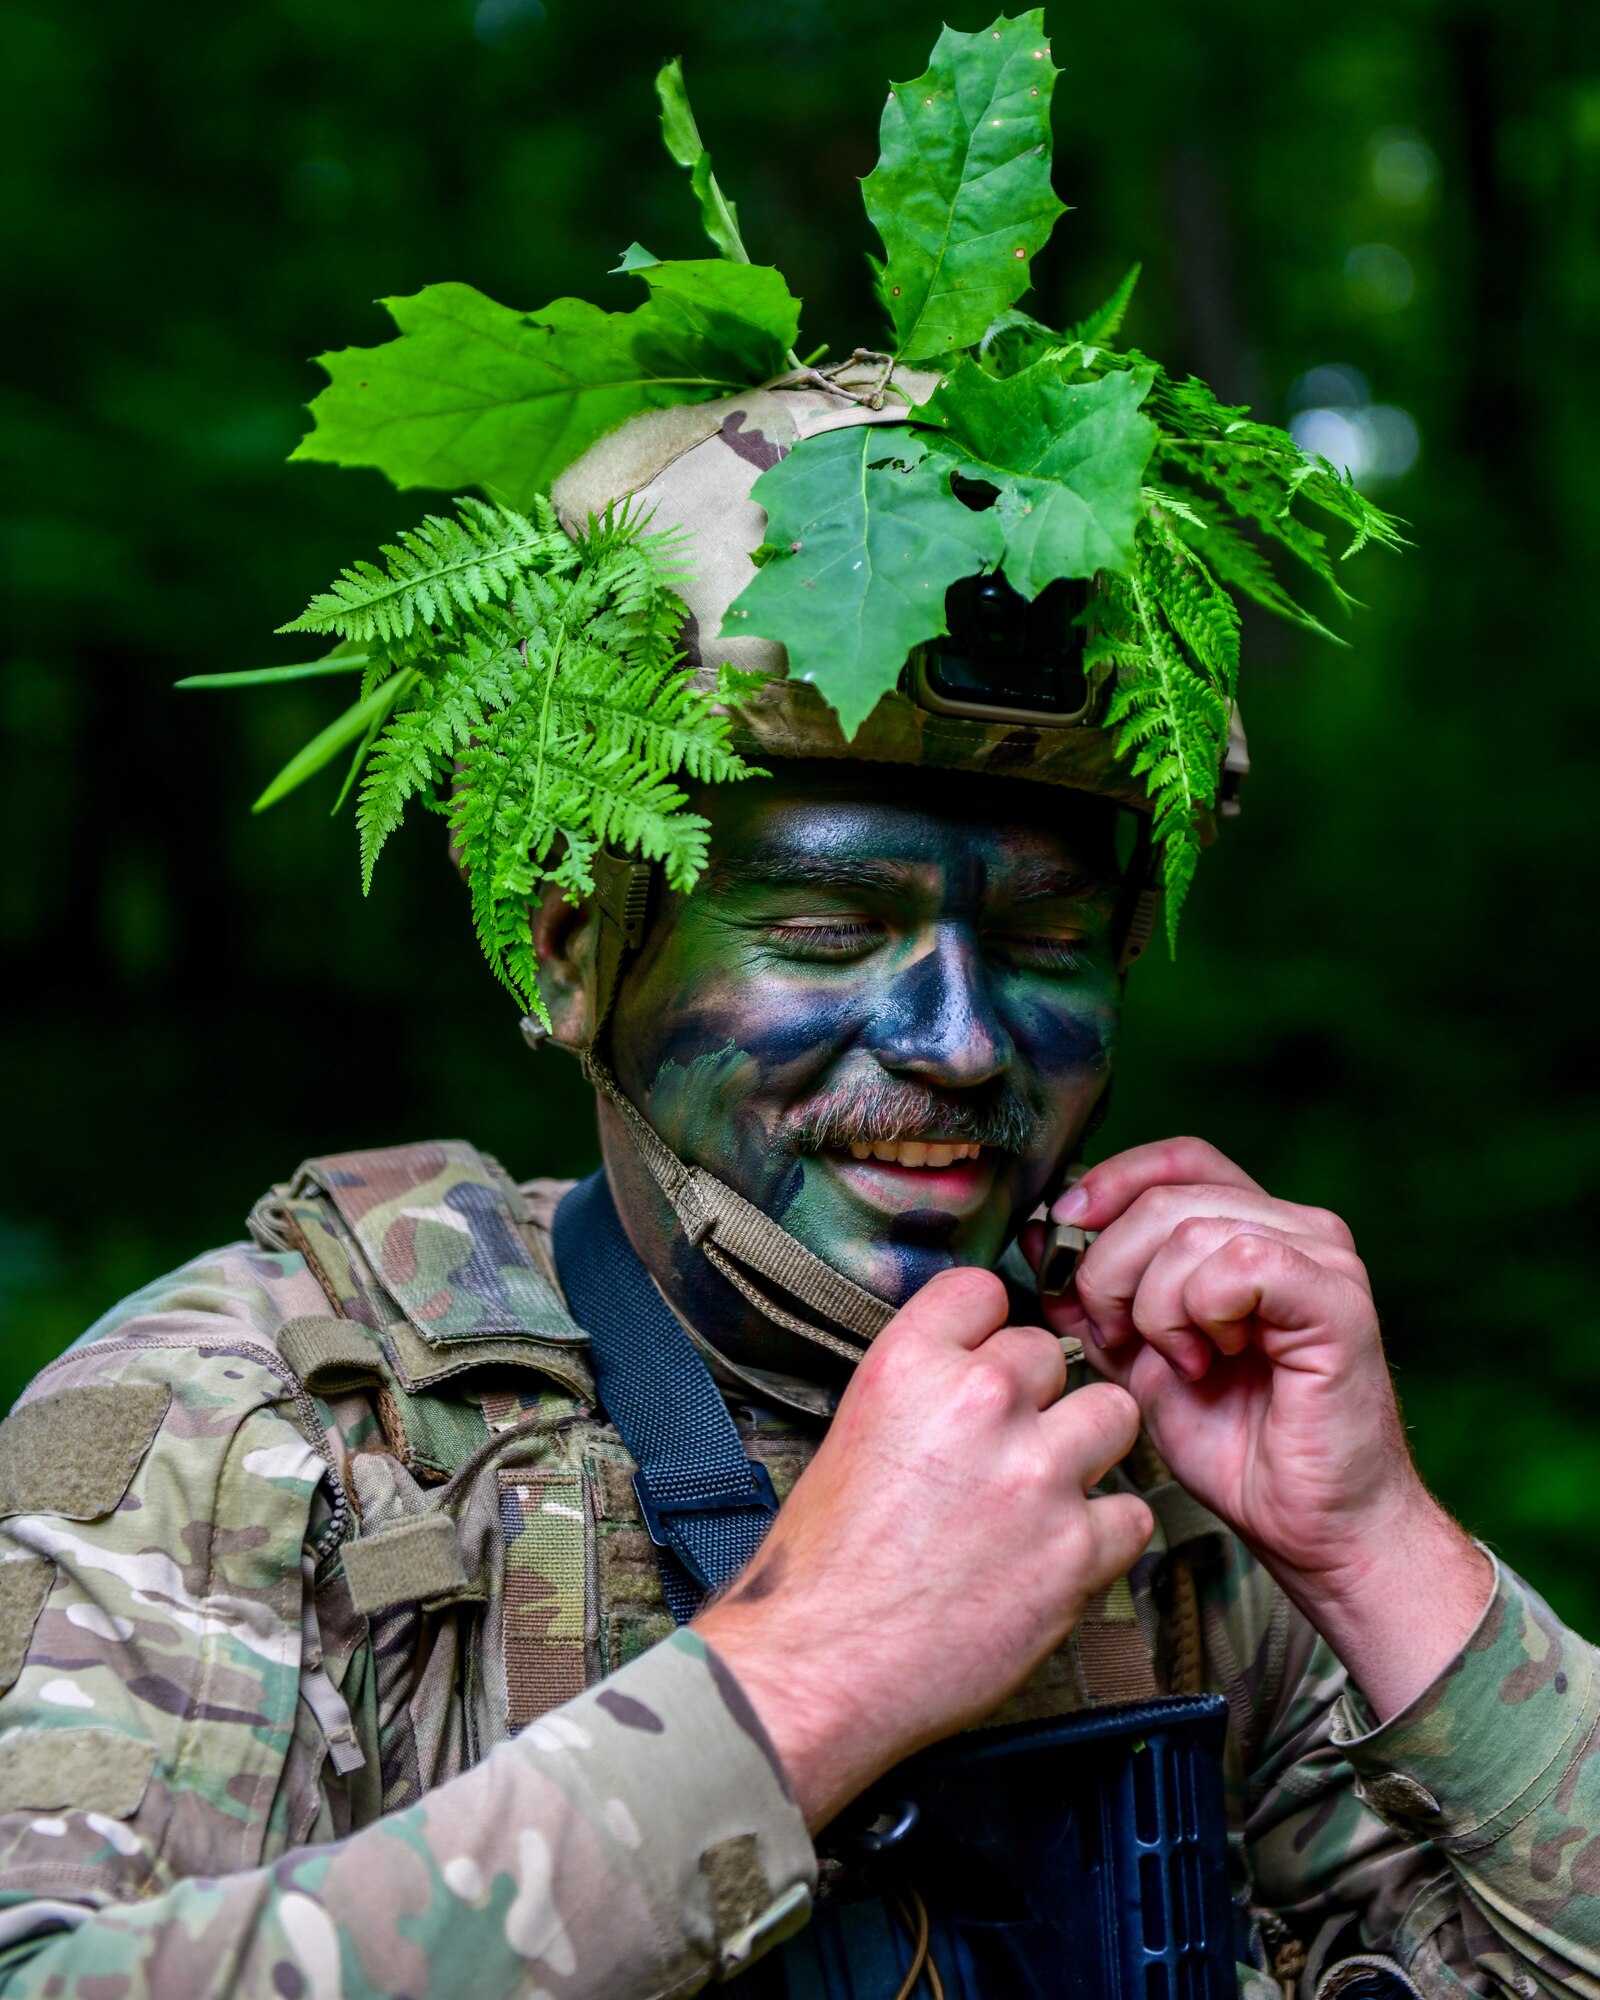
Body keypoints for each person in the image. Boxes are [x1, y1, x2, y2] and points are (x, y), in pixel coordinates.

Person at [2, 26, 1595, 2000]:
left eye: (1038, 934)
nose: (954, 1038)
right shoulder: (265, 1431)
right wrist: (804, 1683)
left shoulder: (1139, 1464)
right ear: (576, 945)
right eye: (831, 925)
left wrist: (1371, 1541)